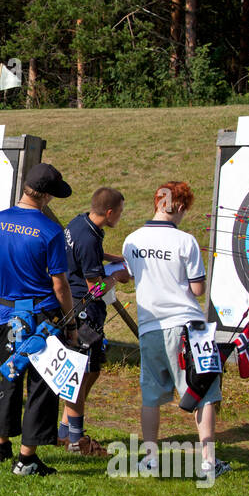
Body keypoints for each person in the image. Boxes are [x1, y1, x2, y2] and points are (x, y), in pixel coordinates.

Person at [121, 181, 229, 480]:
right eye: (184, 210)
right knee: (203, 389)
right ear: (179, 207)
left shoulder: (131, 240)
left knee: (151, 395)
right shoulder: (186, 241)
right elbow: (197, 288)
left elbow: (130, 276)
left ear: (157, 202)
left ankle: (151, 459)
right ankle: (208, 462)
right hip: (187, 327)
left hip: (150, 327)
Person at [0, 163, 76, 476]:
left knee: (11, 374)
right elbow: (59, 286)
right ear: (45, 196)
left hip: (8, 314)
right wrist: (70, 323)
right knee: (42, 384)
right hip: (42, 316)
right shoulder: (50, 231)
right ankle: (27, 459)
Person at [57, 186, 132, 456]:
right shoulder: (89, 238)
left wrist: (111, 258)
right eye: (120, 212)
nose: (121, 217)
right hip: (84, 313)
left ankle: (64, 431)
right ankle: (77, 442)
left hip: (78, 309)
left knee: (94, 369)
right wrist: (118, 277)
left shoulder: (80, 222)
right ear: (109, 212)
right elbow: (95, 289)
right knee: (79, 374)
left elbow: (84, 252)